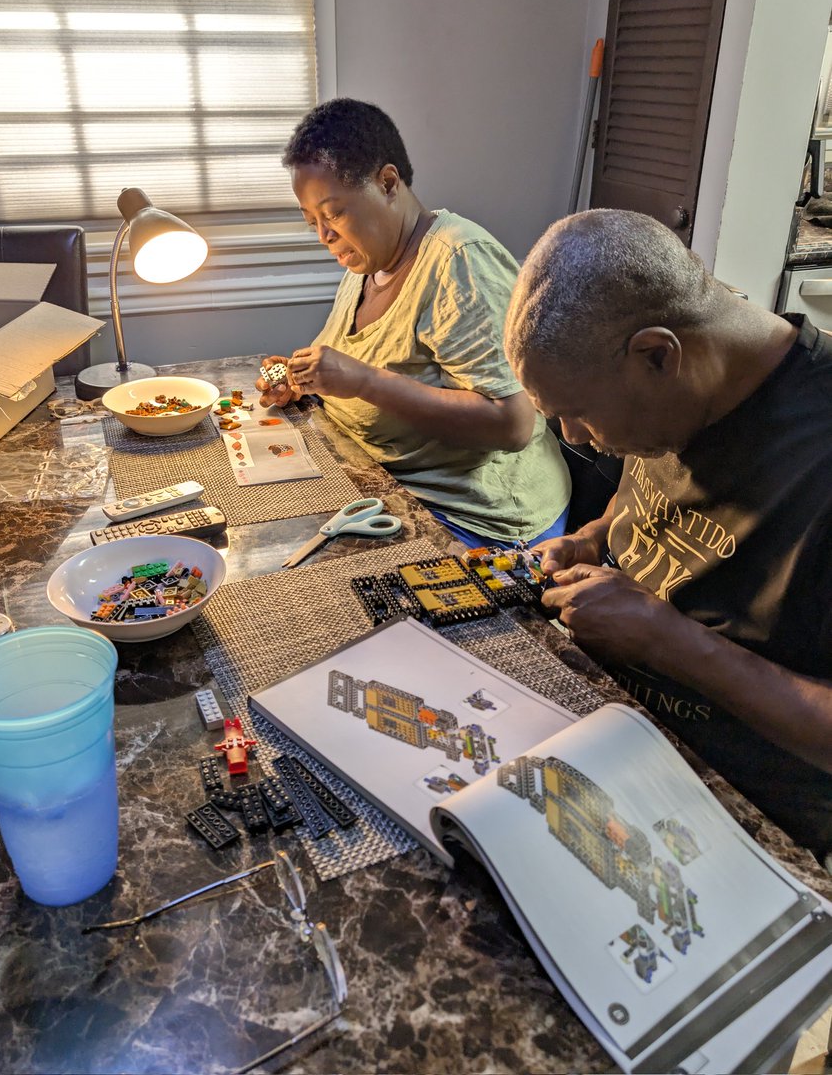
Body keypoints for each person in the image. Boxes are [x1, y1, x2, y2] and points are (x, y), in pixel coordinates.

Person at [504, 208, 832, 865]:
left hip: (738, 812)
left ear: (658, 354)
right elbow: (645, 501)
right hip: (605, 718)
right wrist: (592, 538)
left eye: (577, 412)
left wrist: (669, 641)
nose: (572, 437)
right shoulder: (687, 383)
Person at [257, 97, 571, 549]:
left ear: (387, 183)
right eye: (313, 222)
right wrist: (303, 380)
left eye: (334, 213)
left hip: (474, 517)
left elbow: (513, 424)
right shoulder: (369, 263)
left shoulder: (458, 262)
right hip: (383, 484)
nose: (324, 236)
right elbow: (359, 360)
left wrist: (364, 381)